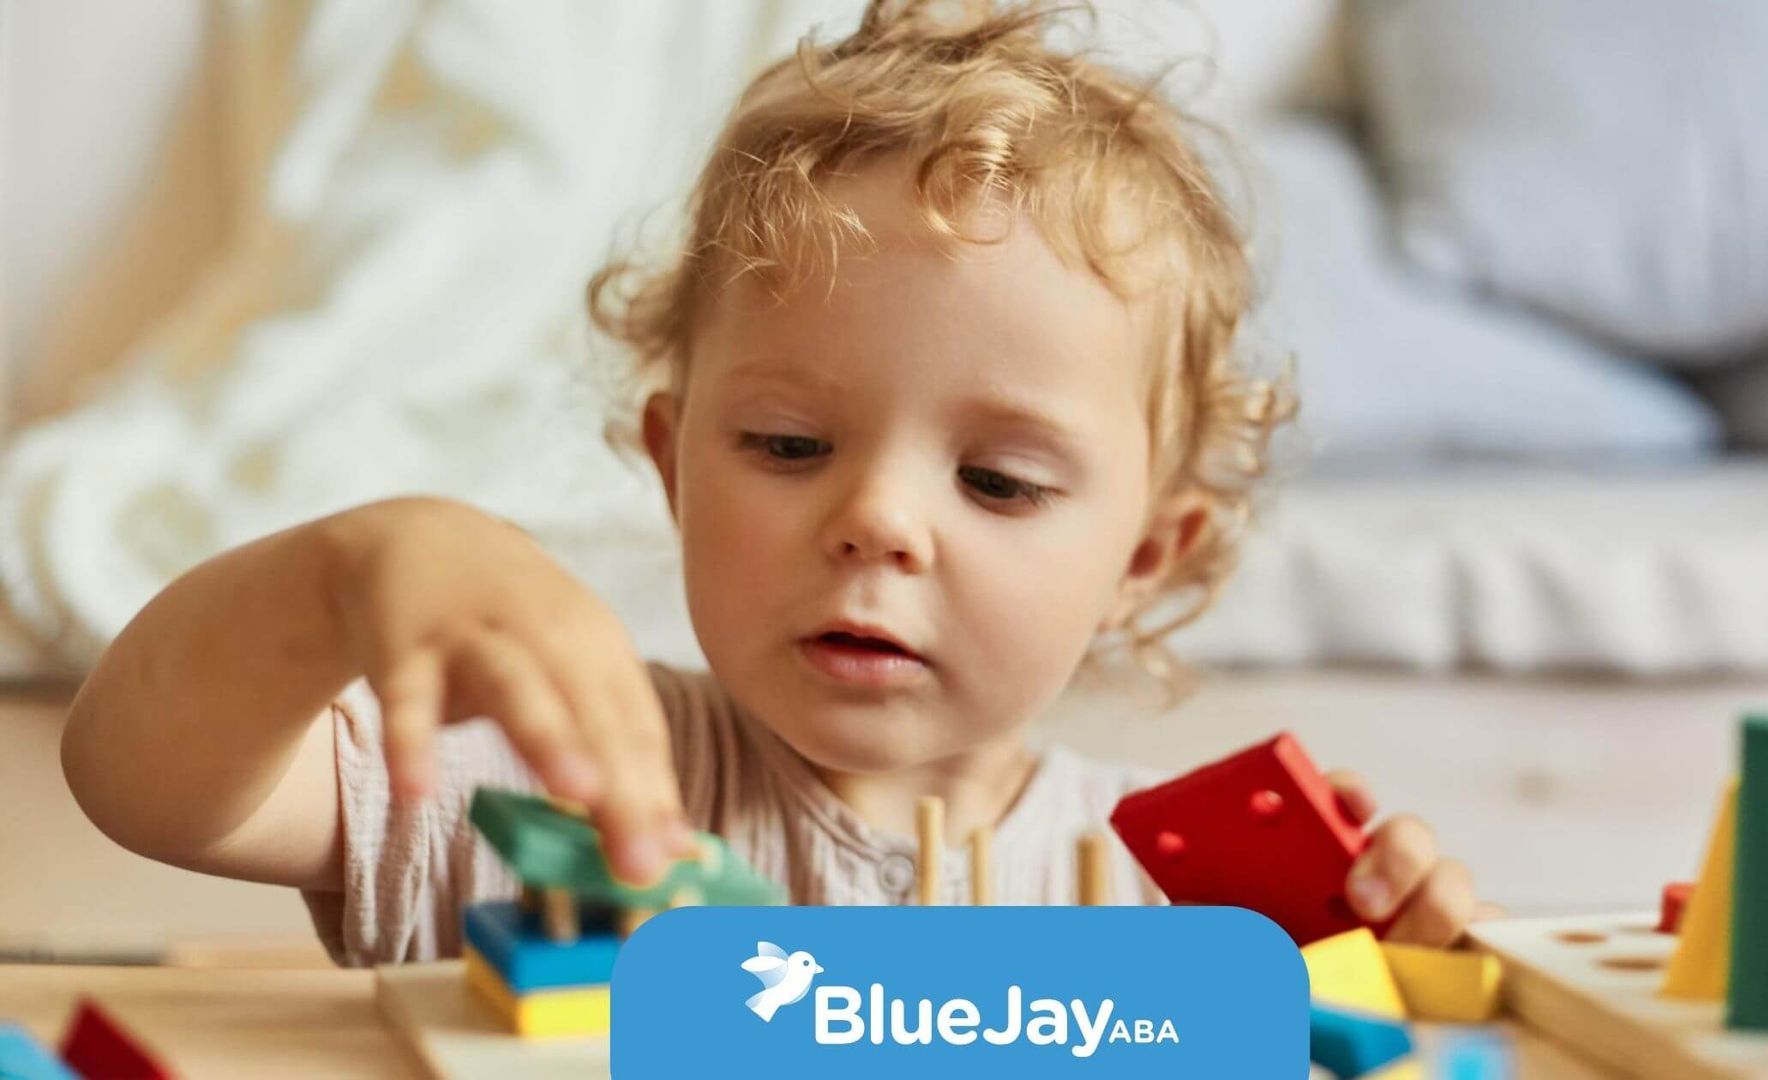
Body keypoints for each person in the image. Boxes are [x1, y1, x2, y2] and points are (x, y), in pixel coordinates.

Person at [61, 0, 1481, 966]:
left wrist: (1394, 955)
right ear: (675, 467)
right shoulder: (540, 789)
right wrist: (344, 576)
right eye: (792, 448)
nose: (876, 519)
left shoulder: (1173, 903)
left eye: (997, 480)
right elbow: (145, 787)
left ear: (1146, 558)